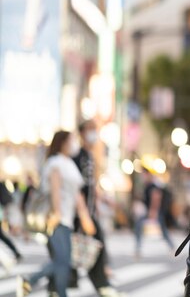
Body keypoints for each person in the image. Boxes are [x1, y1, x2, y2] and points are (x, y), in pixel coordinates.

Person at [16, 130, 96, 297]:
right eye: (71, 140)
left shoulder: (70, 164)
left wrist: (85, 217)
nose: (74, 144)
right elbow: (55, 189)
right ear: (63, 142)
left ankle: (39, 285)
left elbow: (77, 193)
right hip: (55, 218)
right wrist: (57, 213)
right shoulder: (55, 163)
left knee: (63, 262)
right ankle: (33, 283)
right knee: (62, 260)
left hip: (66, 219)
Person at [68, 120, 124, 297]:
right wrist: (83, 213)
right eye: (90, 130)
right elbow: (76, 188)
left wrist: (103, 201)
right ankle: (102, 285)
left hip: (88, 212)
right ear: (82, 132)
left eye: (95, 129)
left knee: (91, 247)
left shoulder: (90, 156)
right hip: (78, 213)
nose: (94, 133)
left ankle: (100, 284)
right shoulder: (77, 155)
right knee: (86, 248)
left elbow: (92, 186)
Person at [133, 171, 175, 258]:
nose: (142, 177)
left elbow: (156, 198)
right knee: (139, 226)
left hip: (155, 211)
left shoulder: (153, 186)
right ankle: (138, 249)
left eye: (144, 175)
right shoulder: (148, 186)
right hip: (149, 211)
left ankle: (172, 247)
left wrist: (153, 211)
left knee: (162, 230)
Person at [0, 180, 22, 262]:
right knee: (2, 236)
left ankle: (16, 252)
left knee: (2, 236)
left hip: (3, 209)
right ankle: (16, 252)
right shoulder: (2, 184)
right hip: (4, 209)